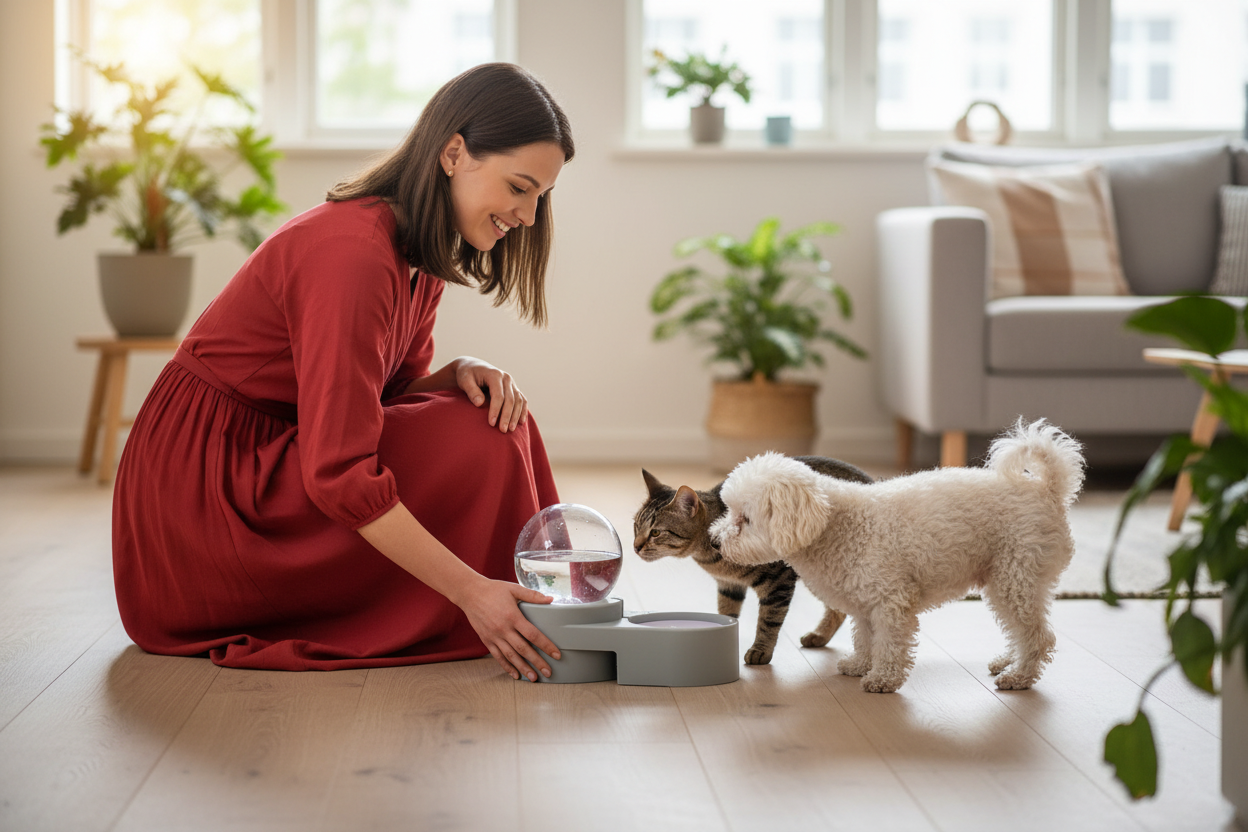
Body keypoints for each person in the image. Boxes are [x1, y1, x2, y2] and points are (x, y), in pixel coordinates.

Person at [111, 63, 575, 682]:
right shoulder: (353, 254)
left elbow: (384, 396)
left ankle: (530, 604)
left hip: (276, 451)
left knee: (496, 417)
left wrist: (457, 372)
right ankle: (494, 604)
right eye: (519, 187)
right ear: (453, 154)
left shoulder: (421, 253)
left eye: (541, 196)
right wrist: (468, 591)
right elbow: (339, 471)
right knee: (476, 438)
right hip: (208, 502)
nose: (529, 215)